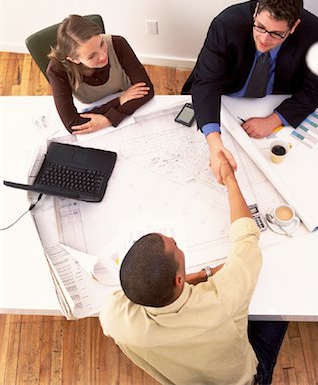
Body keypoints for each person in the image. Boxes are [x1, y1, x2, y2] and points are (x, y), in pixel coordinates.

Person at [99, 151, 288, 385]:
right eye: (174, 245)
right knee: (281, 309)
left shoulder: (113, 318)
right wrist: (229, 179)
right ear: (178, 280)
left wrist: (202, 275)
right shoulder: (221, 300)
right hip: (245, 380)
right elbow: (247, 238)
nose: (173, 239)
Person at [182, 0, 318, 183]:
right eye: (260, 27)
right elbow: (207, 81)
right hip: (225, 97)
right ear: (256, 12)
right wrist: (215, 142)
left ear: (294, 26)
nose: (264, 39)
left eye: (277, 34)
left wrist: (275, 119)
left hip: (274, 100)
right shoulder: (226, 24)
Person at [47, 14, 154, 134]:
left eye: (102, 44)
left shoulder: (118, 43)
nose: (103, 56)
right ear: (74, 60)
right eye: (92, 56)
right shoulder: (57, 70)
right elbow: (73, 124)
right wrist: (119, 101)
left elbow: (147, 90)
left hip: (127, 92)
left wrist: (109, 119)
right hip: (118, 99)